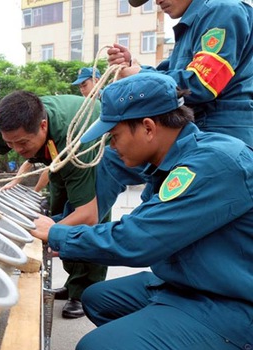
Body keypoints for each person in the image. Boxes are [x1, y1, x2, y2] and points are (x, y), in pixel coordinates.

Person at [31, 73, 253, 350]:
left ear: (149, 128)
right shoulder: (172, 161)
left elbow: (138, 241)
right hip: (193, 286)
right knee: (97, 299)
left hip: (234, 306)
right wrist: (61, 228)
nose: (111, 145)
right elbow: (134, 225)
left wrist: (59, 236)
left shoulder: (213, 165)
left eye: (115, 135)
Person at [97, 0, 253, 222]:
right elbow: (169, 74)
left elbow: (202, 82)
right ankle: (82, 228)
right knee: (111, 161)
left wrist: (139, 74)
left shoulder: (222, 10)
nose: (158, 0)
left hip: (218, 135)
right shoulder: (195, 23)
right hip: (194, 135)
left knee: (165, 223)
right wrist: (133, 67)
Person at [0, 92, 107, 319]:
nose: (17, 149)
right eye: (10, 143)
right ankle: (73, 284)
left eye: (22, 143)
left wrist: (38, 232)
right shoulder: (16, 123)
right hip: (59, 161)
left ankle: (86, 293)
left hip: (98, 155)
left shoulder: (76, 142)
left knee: (85, 223)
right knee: (58, 210)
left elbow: (88, 214)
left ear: (42, 126)